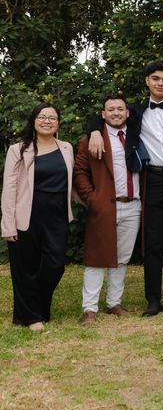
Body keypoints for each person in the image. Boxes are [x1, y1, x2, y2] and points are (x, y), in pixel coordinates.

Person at [88, 60, 163, 317]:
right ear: (147, 81)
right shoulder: (135, 111)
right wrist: (95, 132)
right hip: (153, 181)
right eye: (155, 78)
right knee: (153, 242)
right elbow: (104, 117)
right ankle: (153, 300)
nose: (160, 83)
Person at [1, 103, 74, 331]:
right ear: (34, 120)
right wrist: (8, 225)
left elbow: (71, 182)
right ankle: (32, 316)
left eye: (52, 117)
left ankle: (36, 308)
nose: (47, 121)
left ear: (58, 123)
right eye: (42, 117)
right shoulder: (19, 149)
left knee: (55, 265)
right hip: (27, 214)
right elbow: (9, 187)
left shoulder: (66, 148)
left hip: (57, 215)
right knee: (26, 267)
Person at [74, 95, 142, 325]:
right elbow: (80, 172)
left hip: (132, 205)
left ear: (127, 113)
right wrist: (92, 199)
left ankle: (114, 302)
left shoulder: (136, 136)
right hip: (104, 205)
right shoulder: (92, 139)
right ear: (102, 114)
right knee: (96, 258)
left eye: (120, 109)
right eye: (110, 109)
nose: (116, 113)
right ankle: (89, 308)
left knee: (122, 258)